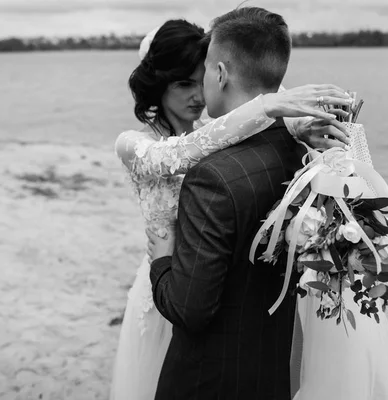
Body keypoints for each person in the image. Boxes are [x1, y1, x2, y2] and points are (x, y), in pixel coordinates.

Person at [148, 8, 388, 400]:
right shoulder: (302, 153)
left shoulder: (211, 178)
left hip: (209, 379)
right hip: (273, 366)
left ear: (220, 73)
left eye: (207, 68)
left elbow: (191, 309)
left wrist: (161, 262)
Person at [110, 17, 352, 400]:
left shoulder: (221, 125)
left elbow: (248, 87)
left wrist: (297, 124)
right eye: (182, 83)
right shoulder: (133, 144)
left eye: (199, 79)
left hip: (214, 278)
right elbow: (184, 152)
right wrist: (268, 106)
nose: (196, 95)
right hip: (165, 276)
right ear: (159, 86)